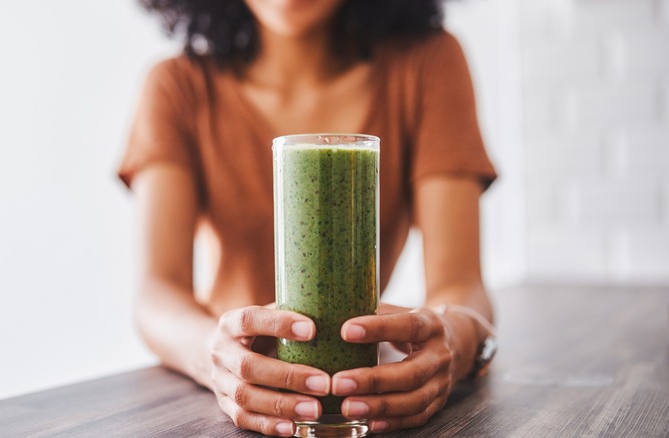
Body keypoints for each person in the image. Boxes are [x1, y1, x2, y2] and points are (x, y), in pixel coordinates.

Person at [118, 0, 497, 436]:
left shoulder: (427, 62)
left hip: (355, 390)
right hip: (230, 402)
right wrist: (213, 356)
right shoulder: (178, 85)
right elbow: (157, 292)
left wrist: (454, 338)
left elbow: (461, 282)